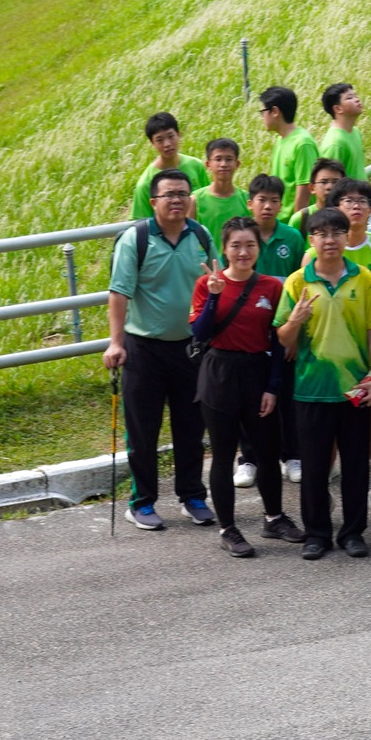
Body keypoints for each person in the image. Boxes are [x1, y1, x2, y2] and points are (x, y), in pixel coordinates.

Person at [106, 166, 218, 530]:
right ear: (154, 201)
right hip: (143, 350)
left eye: (183, 194)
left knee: (191, 427)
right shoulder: (135, 239)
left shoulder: (200, 236)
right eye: (169, 194)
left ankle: (192, 497)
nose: (177, 200)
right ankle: (142, 502)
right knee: (143, 431)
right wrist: (116, 343)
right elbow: (119, 293)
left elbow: (215, 284)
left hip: (191, 349)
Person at [277, 207, 371, 560]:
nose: (330, 240)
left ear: (346, 236)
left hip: (355, 387)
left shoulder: (363, 278)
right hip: (311, 388)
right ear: (311, 239)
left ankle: (353, 532)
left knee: (355, 464)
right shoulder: (298, 281)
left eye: (337, 233)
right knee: (314, 467)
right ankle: (317, 533)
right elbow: (283, 338)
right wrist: (295, 320)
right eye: (322, 234)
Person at [188, 217, 295, 555]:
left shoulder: (271, 287)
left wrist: (273, 387)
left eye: (250, 245)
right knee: (223, 454)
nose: (243, 252)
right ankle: (228, 528)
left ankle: (274, 518)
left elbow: (277, 341)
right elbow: (200, 332)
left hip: (257, 371)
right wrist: (214, 297)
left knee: (267, 451)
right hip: (218, 372)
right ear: (224, 249)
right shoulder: (207, 283)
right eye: (236, 245)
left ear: (259, 248)